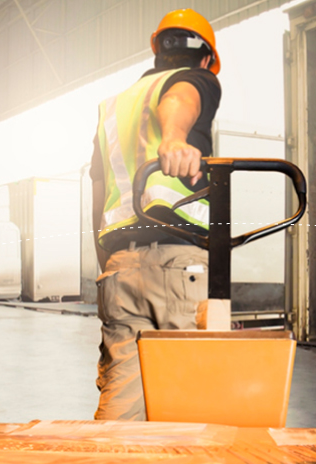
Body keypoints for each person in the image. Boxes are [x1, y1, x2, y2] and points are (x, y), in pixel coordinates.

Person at [88, 8, 222, 421]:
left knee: (122, 403)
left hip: (119, 267)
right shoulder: (197, 80)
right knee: (194, 401)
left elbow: (97, 190)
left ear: (158, 52)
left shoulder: (116, 106)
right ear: (206, 59)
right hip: (179, 263)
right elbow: (181, 99)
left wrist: (107, 264)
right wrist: (175, 138)